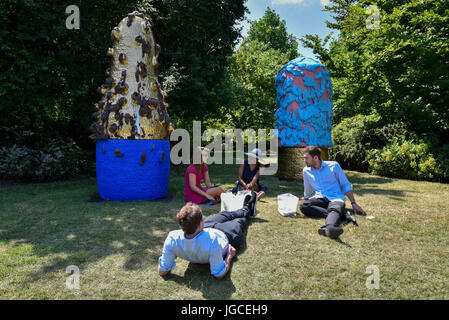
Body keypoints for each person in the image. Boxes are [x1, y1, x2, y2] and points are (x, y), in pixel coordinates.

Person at [158, 192, 258, 279]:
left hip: (206, 230)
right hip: (226, 237)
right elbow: (219, 275)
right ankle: (249, 209)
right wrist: (229, 256)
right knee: (238, 222)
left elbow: (162, 271)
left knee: (223, 215)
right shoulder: (212, 241)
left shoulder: (172, 238)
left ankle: (245, 208)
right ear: (199, 223)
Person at [299, 146, 366, 239]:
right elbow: (308, 190)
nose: (304, 160)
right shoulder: (306, 170)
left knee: (335, 207)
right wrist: (306, 197)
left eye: (306, 158)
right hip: (319, 198)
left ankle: (330, 228)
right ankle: (342, 215)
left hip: (335, 198)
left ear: (315, 158)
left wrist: (353, 203)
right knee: (304, 206)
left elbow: (345, 185)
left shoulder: (334, 166)